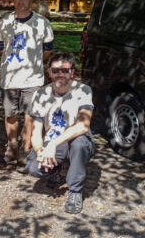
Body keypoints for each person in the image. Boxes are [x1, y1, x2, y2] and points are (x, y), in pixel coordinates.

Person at [0, 0, 54, 173]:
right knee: (10, 114)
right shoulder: (4, 23)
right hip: (10, 77)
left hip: (33, 78)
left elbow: (47, 50)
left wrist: (31, 62)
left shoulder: (42, 23)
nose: (21, 1)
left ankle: (25, 150)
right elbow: (0, 49)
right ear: (13, 0)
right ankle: (12, 145)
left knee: (29, 116)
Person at [26, 52, 95, 214]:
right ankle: (55, 170)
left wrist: (53, 145)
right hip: (52, 140)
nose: (60, 74)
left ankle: (75, 190)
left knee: (80, 144)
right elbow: (36, 131)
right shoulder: (40, 94)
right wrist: (41, 152)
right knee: (34, 167)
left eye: (65, 70)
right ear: (49, 72)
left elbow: (83, 125)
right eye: (55, 70)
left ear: (72, 72)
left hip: (75, 138)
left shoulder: (83, 90)